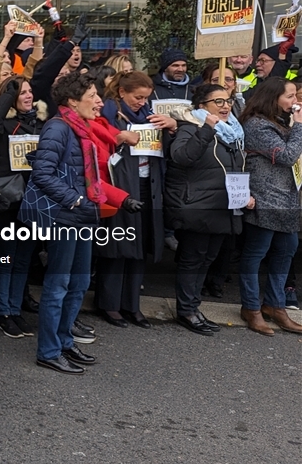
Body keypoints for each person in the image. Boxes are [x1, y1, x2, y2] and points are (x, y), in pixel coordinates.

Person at [29, 72, 133, 375]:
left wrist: (118, 199)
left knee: (78, 283)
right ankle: (48, 350)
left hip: (83, 216)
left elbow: (94, 176)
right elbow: (42, 174)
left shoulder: (82, 127)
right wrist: (75, 201)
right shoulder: (58, 128)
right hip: (67, 217)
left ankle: (63, 341)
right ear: (73, 101)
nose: (99, 101)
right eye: (92, 95)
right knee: (58, 285)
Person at [165, 83, 248, 335]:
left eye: (228, 100)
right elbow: (181, 156)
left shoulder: (233, 131)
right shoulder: (190, 127)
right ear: (202, 106)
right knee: (193, 259)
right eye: (218, 102)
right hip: (197, 206)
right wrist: (206, 129)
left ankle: (194, 307)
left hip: (222, 205)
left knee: (208, 259)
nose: (225, 106)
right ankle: (187, 311)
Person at [97, 71, 173, 328]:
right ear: (121, 92)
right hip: (119, 184)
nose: (142, 102)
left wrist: (170, 125)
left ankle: (131, 304)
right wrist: (119, 137)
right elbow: (96, 145)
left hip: (147, 182)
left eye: (145, 98)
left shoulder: (151, 114)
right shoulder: (107, 112)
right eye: (137, 97)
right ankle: (108, 303)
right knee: (119, 245)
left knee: (140, 246)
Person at [237, 78, 302, 335]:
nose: (294, 102)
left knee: (287, 250)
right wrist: (300, 127)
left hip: (287, 199)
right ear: (273, 97)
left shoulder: (282, 123)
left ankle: (275, 306)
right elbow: (286, 156)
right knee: (256, 253)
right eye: (289, 96)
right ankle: (251, 308)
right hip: (265, 197)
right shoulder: (256, 125)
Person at [0, 76, 47, 337]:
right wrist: (8, 94)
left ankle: (15, 309)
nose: (28, 96)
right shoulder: (4, 125)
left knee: (22, 260)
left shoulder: (41, 124)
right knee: (6, 258)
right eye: (22, 93)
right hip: (8, 198)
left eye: (30, 91)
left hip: (33, 198)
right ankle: (3, 313)